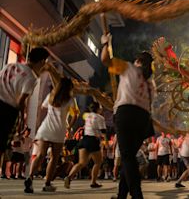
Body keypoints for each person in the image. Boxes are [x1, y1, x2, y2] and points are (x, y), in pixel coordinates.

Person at [101, 34, 155, 199]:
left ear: (137, 61)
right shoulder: (151, 84)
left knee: (127, 156)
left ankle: (137, 195)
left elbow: (105, 60)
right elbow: (150, 106)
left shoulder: (129, 68)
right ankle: (121, 195)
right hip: (143, 120)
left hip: (126, 114)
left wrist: (105, 43)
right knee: (128, 157)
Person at [25, 77, 78, 193]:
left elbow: (42, 108)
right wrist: (69, 126)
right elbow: (75, 115)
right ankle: (47, 184)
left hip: (45, 128)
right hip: (59, 130)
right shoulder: (70, 100)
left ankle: (30, 177)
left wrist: (39, 124)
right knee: (54, 158)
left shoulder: (51, 97)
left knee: (40, 155)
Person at [0, 47, 49, 158]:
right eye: (45, 62)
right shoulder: (31, 77)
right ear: (42, 61)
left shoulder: (10, 66)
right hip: (7, 110)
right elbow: (21, 101)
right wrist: (22, 118)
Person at [64, 102, 107, 189]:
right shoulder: (100, 117)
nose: (102, 109)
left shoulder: (88, 116)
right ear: (98, 108)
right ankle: (93, 182)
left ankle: (69, 177)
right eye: (101, 107)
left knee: (81, 163)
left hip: (84, 140)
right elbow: (103, 132)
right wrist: (105, 143)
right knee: (98, 162)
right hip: (93, 140)